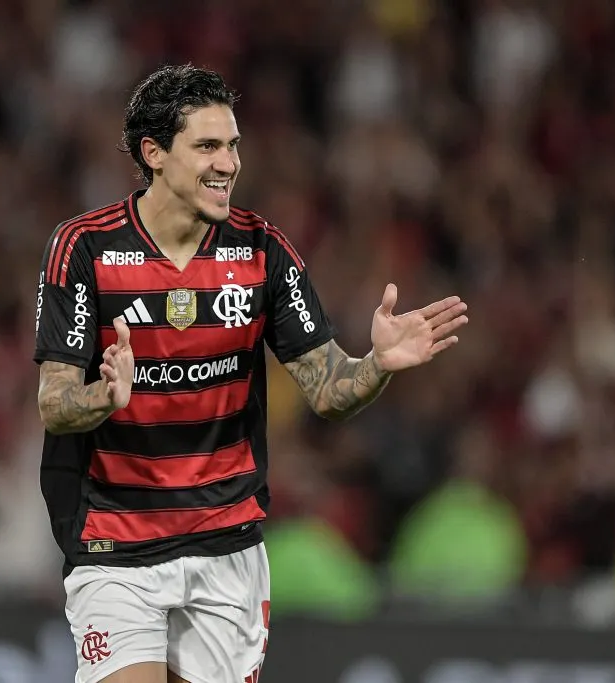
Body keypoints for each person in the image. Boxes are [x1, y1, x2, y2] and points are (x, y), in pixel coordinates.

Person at [33, 64, 468, 683]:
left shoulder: (261, 251)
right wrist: (105, 395)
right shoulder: (85, 249)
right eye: (207, 146)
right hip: (116, 542)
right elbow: (54, 403)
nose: (229, 163)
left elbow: (326, 390)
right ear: (154, 154)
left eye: (233, 144)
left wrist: (377, 366)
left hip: (225, 546)